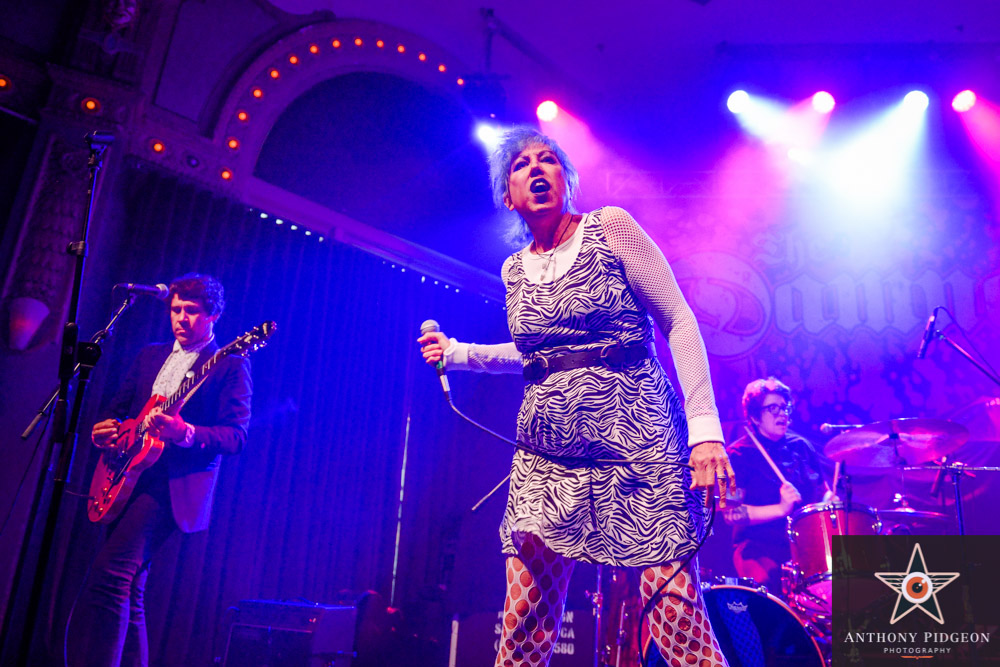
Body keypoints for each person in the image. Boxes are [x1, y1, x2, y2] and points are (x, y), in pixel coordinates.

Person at [418, 128, 735, 667]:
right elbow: (540, 353)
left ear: (566, 179)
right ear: (507, 195)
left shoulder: (610, 228)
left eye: (548, 160)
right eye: (521, 165)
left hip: (637, 437)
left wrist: (705, 431)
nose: (536, 169)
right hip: (547, 450)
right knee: (524, 616)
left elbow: (678, 320)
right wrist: (459, 353)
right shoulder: (513, 269)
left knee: (673, 610)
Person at [70, 273, 252, 667]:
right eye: (176, 309)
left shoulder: (229, 365)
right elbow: (117, 409)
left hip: (171, 487)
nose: (181, 318)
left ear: (213, 315)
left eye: (192, 311)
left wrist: (185, 432)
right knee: (131, 590)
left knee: (110, 578)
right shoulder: (150, 356)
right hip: (126, 476)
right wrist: (105, 429)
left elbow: (236, 436)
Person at [723, 377, 830, 594]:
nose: (782, 414)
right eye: (773, 408)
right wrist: (781, 509)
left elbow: (824, 493)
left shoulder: (801, 447)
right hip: (759, 548)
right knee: (771, 592)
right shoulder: (737, 455)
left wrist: (829, 503)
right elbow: (731, 514)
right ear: (755, 417)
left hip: (804, 544)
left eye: (784, 407)